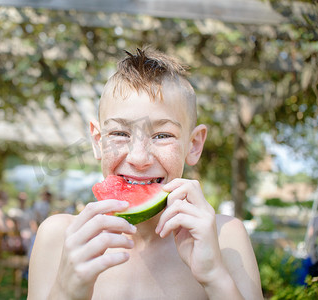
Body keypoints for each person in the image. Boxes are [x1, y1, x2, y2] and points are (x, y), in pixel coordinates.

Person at [28, 47, 263, 299]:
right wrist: (65, 290)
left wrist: (216, 277)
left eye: (162, 135)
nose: (139, 158)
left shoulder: (226, 238)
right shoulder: (58, 238)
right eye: (120, 134)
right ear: (98, 141)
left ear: (193, 145)